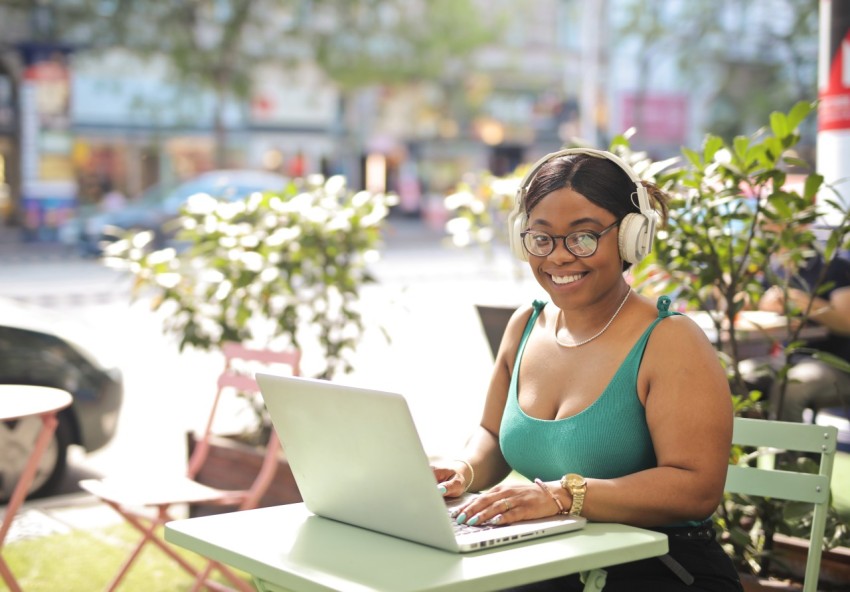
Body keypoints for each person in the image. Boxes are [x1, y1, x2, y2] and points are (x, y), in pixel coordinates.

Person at [432, 148, 742, 591]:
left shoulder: (671, 340)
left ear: (632, 237)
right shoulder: (526, 324)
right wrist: (461, 470)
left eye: (584, 237)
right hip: (554, 564)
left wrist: (563, 496)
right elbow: (492, 437)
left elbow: (697, 488)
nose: (558, 257)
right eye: (542, 238)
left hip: (661, 569)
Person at [741, 246, 850, 423]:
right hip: (788, 358)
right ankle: (746, 448)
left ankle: (790, 450)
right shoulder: (775, 267)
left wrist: (798, 299)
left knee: (790, 385)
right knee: (738, 377)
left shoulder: (834, 264)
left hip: (837, 364)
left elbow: (847, 322)